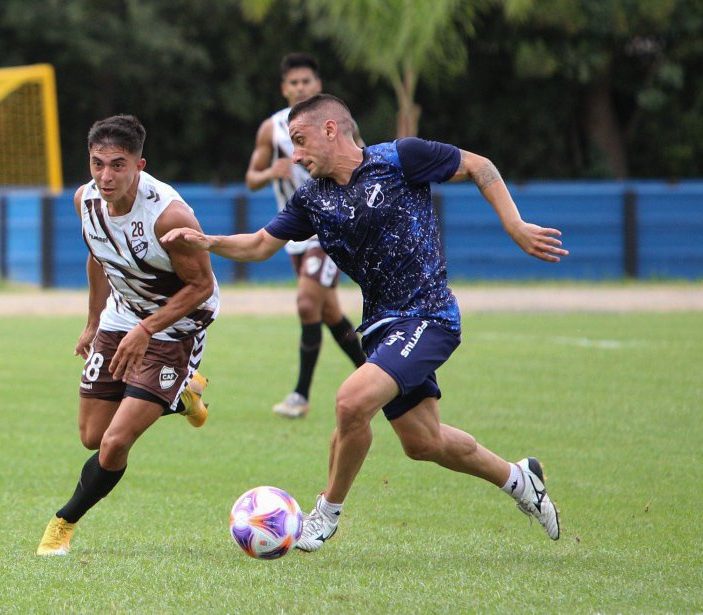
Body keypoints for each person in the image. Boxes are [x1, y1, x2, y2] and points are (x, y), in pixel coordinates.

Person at [163, 94, 566, 551]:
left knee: (351, 402)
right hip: (379, 327)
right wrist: (205, 240)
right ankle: (520, 480)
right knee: (423, 441)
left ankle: (326, 514)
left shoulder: (400, 158)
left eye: (300, 141)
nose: (295, 155)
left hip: (428, 315)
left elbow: (478, 165)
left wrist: (514, 225)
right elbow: (258, 245)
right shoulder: (311, 199)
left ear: (331, 129)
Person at [37, 115, 219, 556]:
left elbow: (202, 287)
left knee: (117, 442)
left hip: (178, 324)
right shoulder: (86, 200)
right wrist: (93, 321)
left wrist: (146, 330)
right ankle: (181, 395)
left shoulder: (168, 216)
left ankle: (62, 524)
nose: (105, 175)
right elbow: (99, 258)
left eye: (118, 165)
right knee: (92, 436)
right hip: (122, 316)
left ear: (140, 165)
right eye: (98, 163)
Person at [245, 53, 366, 419]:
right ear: (284, 89)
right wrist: (271, 172)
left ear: (318, 85)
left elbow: (362, 161)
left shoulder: (337, 123)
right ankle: (378, 375)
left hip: (331, 226)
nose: (300, 87)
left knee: (305, 303)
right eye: (293, 83)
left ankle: (300, 395)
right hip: (295, 232)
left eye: (306, 81)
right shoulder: (272, 129)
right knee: (328, 311)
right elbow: (251, 179)